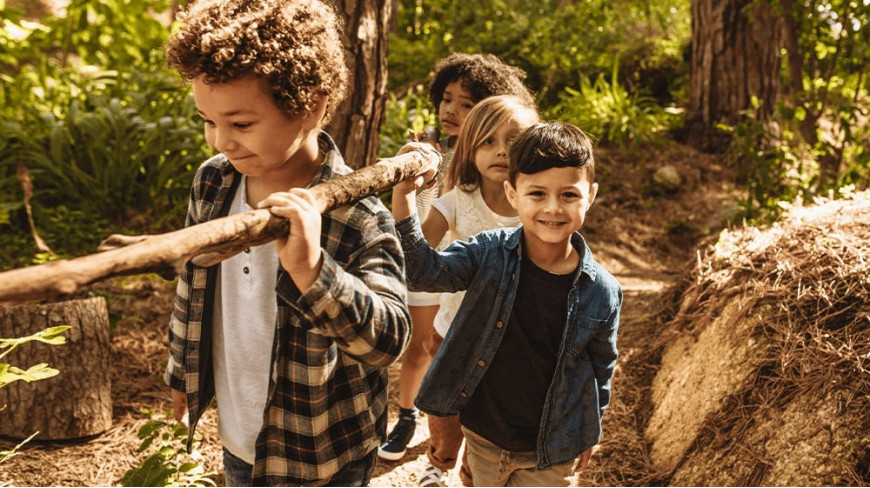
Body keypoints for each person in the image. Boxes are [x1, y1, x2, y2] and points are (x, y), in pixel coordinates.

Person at [161, 0, 411, 485]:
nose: (219, 142)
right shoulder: (212, 184)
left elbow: (387, 341)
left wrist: (314, 271)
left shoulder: (358, 217)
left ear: (311, 105)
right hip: (239, 436)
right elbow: (193, 286)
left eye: (241, 124)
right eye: (207, 121)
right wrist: (182, 374)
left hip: (323, 451)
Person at [391, 121, 622, 487]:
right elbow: (422, 273)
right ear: (512, 193)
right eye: (537, 194)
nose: (553, 208)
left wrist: (590, 428)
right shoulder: (487, 254)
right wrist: (404, 196)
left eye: (568, 195)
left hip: (553, 447)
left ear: (590, 195)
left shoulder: (603, 290)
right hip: (485, 437)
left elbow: (600, 366)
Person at [379, 52, 536, 480]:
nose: (501, 151)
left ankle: (473, 466)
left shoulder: (536, 203)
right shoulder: (454, 191)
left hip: (510, 334)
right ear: (473, 146)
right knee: (446, 414)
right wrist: (405, 195)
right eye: (488, 141)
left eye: (465, 104)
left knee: (490, 420)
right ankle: (437, 456)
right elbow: (415, 248)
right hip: (455, 324)